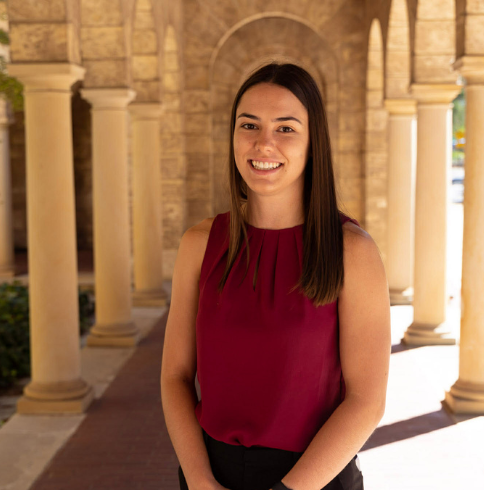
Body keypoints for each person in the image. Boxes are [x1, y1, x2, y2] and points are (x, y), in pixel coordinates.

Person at [160, 63, 391, 490]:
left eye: (286, 129)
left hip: (314, 479)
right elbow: (175, 375)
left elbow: (366, 401)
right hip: (209, 476)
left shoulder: (352, 253)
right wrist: (198, 479)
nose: (263, 143)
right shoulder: (199, 244)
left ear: (312, 143)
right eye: (249, 125)